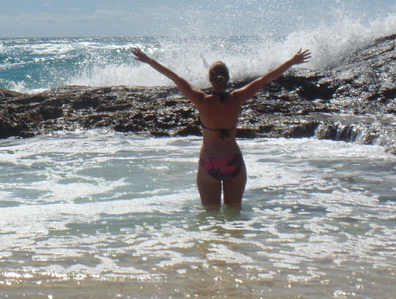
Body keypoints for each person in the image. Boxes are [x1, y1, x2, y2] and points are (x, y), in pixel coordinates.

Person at [132, 46, 311, 209]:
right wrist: (292, 61)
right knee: (235, 216)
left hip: (209, 162)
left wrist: (149, 60)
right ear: (227, 79)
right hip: (234, 161)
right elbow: (265, 79)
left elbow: (175, 78)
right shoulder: (237, 98)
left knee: (210, 217)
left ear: (210, 79)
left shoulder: (201, 100)